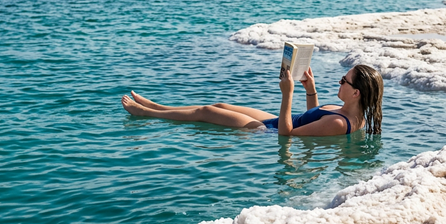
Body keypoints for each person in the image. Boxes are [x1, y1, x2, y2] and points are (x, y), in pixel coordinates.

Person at [121, 65, 384, 136]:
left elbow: (288, 135)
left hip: (267, 131)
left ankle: (147, 114)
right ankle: (159, 106)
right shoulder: (351, 114)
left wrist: (287, 94)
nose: (339, 82)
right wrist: (310, 89)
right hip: (278, 121)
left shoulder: (341, 124)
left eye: (343, 81)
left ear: (356, 93)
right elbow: (312, 118)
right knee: (221, 105)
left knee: (206, 111)